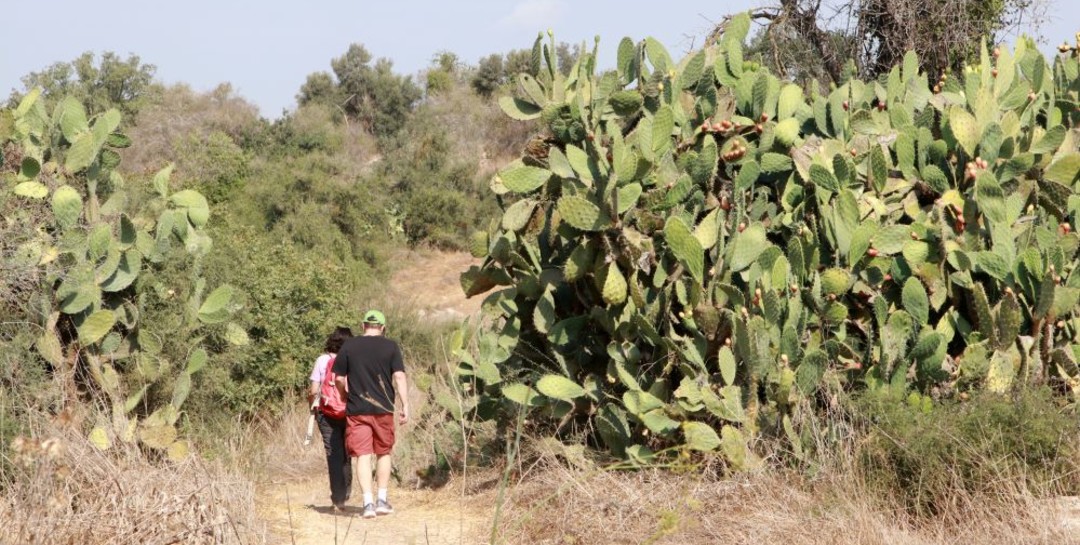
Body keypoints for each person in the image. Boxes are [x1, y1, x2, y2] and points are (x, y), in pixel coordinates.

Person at [333, 310, 409, 519]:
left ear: (363, 325)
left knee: (362, 456)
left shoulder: (349, 346)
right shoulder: (391, 346)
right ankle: (382, 500)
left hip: (357, 409)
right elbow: (400, 377)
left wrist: (345, 395)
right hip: (383, 409)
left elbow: (338, 378)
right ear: (383, 327)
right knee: (383, 452)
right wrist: (405, 404)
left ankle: (367, 503)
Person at [308, 326, 353, 511]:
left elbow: (313, 390)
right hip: (349, 412)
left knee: (333, 454)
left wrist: (313, 408)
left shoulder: (322, 360)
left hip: (326, 413)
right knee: (346, 454)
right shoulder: (352, 360)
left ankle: (338, 498)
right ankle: (346, 492)